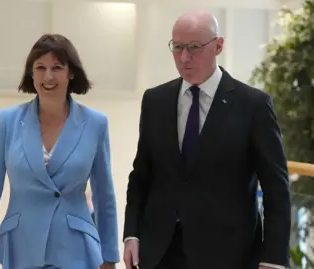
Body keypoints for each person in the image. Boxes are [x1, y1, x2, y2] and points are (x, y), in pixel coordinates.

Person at [122, 10, 291, 269]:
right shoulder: (155, 100)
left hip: (228, 254)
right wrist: (131, 234)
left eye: (194, 47)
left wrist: (273, 259)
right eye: (177, 47)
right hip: (160, 252)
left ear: (218, 46)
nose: (184, 57)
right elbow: (141, 175)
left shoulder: (253, 105)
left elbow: (276, 189)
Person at [0, 34, 120, 269]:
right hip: (21, 246)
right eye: (40, 67)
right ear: (31, 73)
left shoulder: (96, 123)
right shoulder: (7, 121)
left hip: (76, 249)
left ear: (71, 73)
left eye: (57, 67)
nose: (48, 76)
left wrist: (109, 255)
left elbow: (104, 195)